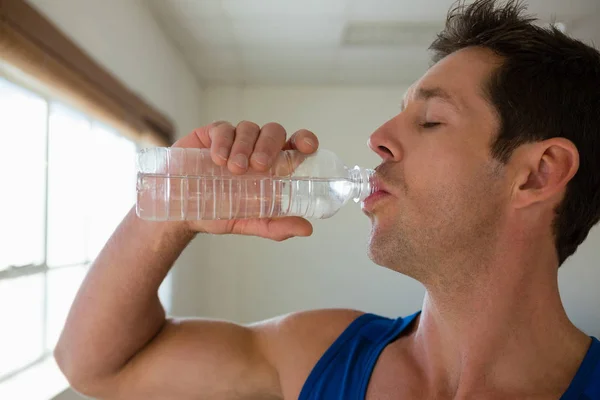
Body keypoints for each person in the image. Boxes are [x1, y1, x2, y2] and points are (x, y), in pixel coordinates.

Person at [55, 0, 600, 398]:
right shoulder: (318, 352)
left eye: (431, 120)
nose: (378, 137)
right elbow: (97, 367)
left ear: (538, 174)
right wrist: (173, 209)